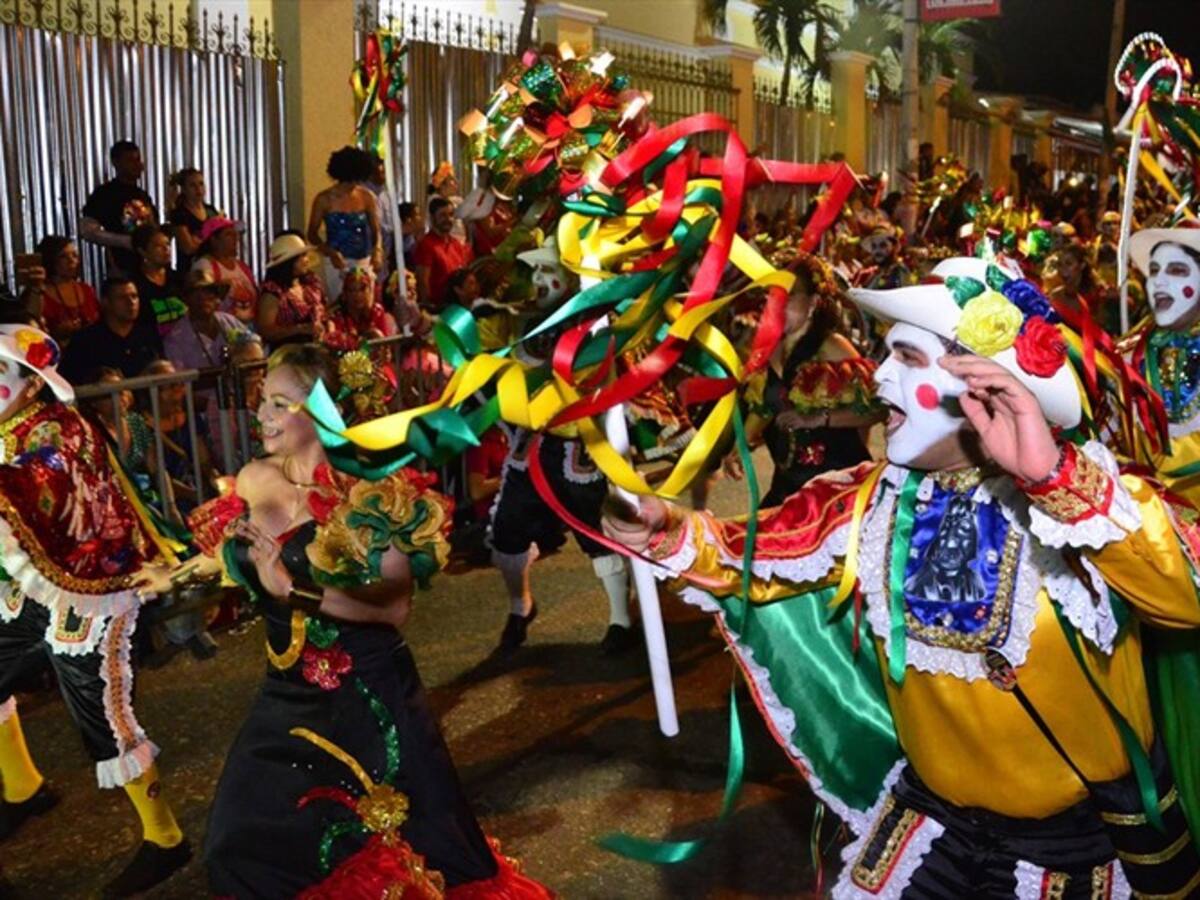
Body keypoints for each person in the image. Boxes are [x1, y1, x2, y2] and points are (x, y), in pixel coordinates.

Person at [604, 257, 1200, 898]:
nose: (878, 376)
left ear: (988, 385)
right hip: (930, 828)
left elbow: (1185, 599)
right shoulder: (870, 502)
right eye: (883, 354)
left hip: (1075, 851)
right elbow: (758, 553)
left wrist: (1052, 478)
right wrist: (666, 527)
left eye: (906, 358)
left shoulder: (1095, 506)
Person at [137, 344, 553, 898]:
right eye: (262, 400)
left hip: (367, 696)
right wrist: (175, 576)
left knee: (399, 855)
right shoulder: (254, 478)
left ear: (324, 412)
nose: (261, 415)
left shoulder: (375, 498)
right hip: (285, 690)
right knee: (237, 843)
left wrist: (294, 591)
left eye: (280, 403)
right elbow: (232, 554)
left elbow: (393, 609)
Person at [0, 323, 190, 897]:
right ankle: (24, 787)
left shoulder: (60, 429)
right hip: (35, 583)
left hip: (91, 584)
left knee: (101, 714)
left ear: (31, 385)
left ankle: (166, 839)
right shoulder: (8, 425)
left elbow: (44, 480)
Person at [743, 254, 882, 506]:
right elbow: (765, 405)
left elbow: (877, 409)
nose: (777, 305)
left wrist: (820, 419)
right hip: (787, 484)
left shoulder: (834, 348)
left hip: (833, 489)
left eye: (789, 297)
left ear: (813, 302)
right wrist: (739, 446)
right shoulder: (772, 350)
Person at [489, 427, 635, 656]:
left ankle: (621, 620)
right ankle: (521, 607)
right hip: (530, 442)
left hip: (580, 441)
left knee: (595, 532)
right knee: (508, 529)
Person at [1127, 227, 1200, 504]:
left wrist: (1153, 460)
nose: (1158, 282)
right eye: (1155, 271)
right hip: (1150, 516)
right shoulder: (1132, 354)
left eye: (1177, 270)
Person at [306, 147, 383, 298]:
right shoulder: (324, 199)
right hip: (336, 264)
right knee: (340, 303)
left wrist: (378, 250)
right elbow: (312, 234)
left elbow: (376, 230)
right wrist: (330, 252)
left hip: (364, 260)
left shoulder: (366, 197)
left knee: (365, 303)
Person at [60, 276, 162, 383]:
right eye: (122, 298)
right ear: (105, 302)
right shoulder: (85, 340)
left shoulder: (148, 335)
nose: (131, 302)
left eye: (134, 296)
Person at [79, 140, 158, 276]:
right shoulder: (104, 194)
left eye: (138, 159)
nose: (137, 165)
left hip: (149, 267)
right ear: (116, 163)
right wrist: (124, 241)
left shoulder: (143, 195)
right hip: (121, 267)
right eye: (130, 160)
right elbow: (87, 231)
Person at [256, 233, 327, 347]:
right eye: (302, 256)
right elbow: (266, 330)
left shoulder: (311, 283)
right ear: (289, 262)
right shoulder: (273, 291)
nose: (307, 260)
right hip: (288, 354)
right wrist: (299, 329)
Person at [29, 236, 100, 345]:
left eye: (75, 255)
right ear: (51, 259)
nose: (72, 260)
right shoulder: (39, 293)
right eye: (63, 256)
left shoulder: (86, 290)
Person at [190, 217, 258, 326]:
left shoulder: (242, 266)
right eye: (228, 234)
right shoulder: (205, 265)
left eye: (235, 234)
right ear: (213, 240)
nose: (236, 238)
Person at [412, 197, 473, 312]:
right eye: (443, 215)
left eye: (450, 215)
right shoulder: (426, 245)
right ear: (432, 218)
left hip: (459, 308)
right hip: (439, 309)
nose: (448, 219)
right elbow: (422, 282)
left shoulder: (456, 244)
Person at [130, 223, 187, 334]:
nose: (166, 249)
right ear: (142, 251)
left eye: (167, 244)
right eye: (158, 246)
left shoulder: (178, 278)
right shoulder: (134, 285)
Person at [324, 266, 396, 352]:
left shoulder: (377, 311)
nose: (357, 295)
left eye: (362, 289)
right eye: (352, 290)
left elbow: (385, 346)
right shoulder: (336, 316)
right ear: (345, 293)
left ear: (369, 290)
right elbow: (333, 346)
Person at [166, 167, 218, 271]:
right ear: (184, 189)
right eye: (192, 185)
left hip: (214, 266)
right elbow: (188, 248)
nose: (198, 189)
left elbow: (221, 241)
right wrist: (211, 239)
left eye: (201, 184)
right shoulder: (179, 214)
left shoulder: (211, 210)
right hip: (191, 269)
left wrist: (198, 240)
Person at [428, 160, 467, 244]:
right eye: (452, 180)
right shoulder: (434, 201)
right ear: (442, 185)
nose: (456, 182)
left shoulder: (456, 200)